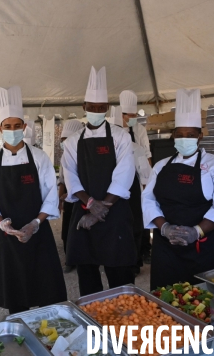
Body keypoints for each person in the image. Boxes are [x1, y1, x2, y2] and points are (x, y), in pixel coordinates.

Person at [0, 86, 66, 315]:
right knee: (16, 298)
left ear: (24, 127)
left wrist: (35, 223)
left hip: (38, 233)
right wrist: (2, 224)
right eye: (7, 126)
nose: (12, 130)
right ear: (0, 129)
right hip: (8, 236)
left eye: (16, 126)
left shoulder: (39, 158)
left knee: (46, 292)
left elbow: (50, 194)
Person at [142, 88, 214, 289]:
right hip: (167, 247)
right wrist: (164, 228)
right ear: (174, 136)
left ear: (200, 136)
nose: (185, 139)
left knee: (205, 299)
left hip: (205, 246)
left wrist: (197, 231)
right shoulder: (161, 166)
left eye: (191, 135)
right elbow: (148, 199)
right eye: (180, 134)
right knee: (166, 297)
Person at [61, 66, 136, 296]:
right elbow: (70, 175)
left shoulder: (121, 136)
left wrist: (102, 207)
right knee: (88, 276)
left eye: (100, 107)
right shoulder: (72, 141)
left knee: (119, 275)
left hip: (114, 212)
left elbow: (124, 173)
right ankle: (93, 320)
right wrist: (91, 204)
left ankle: (122, 322)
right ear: (84, 108)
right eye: (91, 107)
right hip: (85, 211)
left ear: (106, 108)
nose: (95, 110)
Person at [111, 106, 151, 277]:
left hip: (133, 196)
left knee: (134, 229)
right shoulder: (104, 150)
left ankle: (134, 263)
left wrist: (145, 195)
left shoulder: (136, 148)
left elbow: (146, 175)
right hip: (111, 195)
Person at [119, 90, 154, 267]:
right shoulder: (115, 129)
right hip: (119, 180)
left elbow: (146, 154)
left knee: (140, 218)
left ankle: (143, 251)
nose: (132, 118)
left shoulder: (139, 129)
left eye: (134, 115)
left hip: (138, 177)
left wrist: (148, 180)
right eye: (129, 115)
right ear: (121, 114)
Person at [58, 119, 84, 274]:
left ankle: (81, 260)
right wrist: (60, 198)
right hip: (68, 199)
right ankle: (70, 259)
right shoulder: (64, 156)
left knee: (80, 231)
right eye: (62, 140)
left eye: (66, 140)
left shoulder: (84, 155)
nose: (64, 143)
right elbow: (62, 180)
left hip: (83, 198)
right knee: (66, 230)